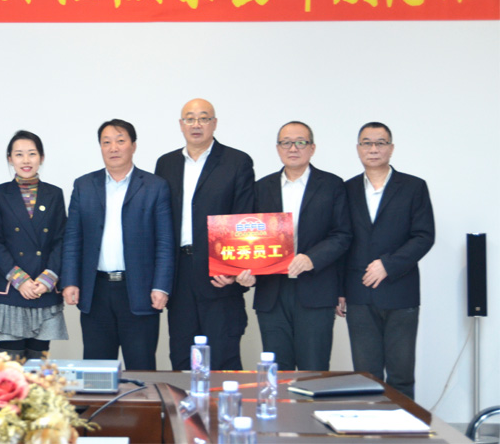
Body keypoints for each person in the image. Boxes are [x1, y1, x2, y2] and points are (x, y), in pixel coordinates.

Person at [61, 119, 174, 370]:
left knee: (142, 370)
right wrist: (70, 280)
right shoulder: (84, 185)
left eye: (120, 141)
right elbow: (73, 238)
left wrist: (161, 286)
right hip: (96, 291)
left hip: (140, 290)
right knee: (97, 372)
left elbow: (165, 241)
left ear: (133, 145)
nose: (113, 148)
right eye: (106, 142)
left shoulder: (155, 186)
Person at [154, 98, 255, 371]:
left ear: (214, 123)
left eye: (203, 118)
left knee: (223, 360)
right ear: (181, 124)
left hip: (220, 276)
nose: (196, 124)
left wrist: (233, 270)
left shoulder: (237, 162)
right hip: (179, 275)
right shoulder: (166, 164)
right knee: (182, 359)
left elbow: (243, 217)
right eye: (190, 118)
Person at [248, 121, 351, 371]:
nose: (293, 148)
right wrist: (245, 269)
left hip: (315, 289)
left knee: (313, 370)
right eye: (286, 143)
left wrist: (311, 258)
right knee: (276, 372)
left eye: (300, 142)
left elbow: (342, 234)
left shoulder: (332, 185)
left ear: (312, 148)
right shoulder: (261, 187)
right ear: (278, 148)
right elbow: (249, 234)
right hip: (272, 292)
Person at [343, 122, 434, 399]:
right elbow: (340, 241)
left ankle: (402, 425)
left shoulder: (413, 187)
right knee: (365, 376)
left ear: (391, 148)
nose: (373, 149)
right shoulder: (346, 189)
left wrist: (388, 265)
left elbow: (424, 236)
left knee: (401, 374)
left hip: (400, 291)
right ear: (358, 148)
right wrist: (339, 290)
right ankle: (369, 426)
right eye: (366, 143)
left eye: (380, 143)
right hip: (358, 292)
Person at [0, 130, 68, 360]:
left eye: (32, 153)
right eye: (19, 154)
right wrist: (19, 279)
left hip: (43, 287)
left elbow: (61, 238)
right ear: (10, 158)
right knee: (11, 365)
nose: (26, 160)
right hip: (10, 287)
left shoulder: (54, 194)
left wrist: (48, 278)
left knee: (38, 364)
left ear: (41, 157)